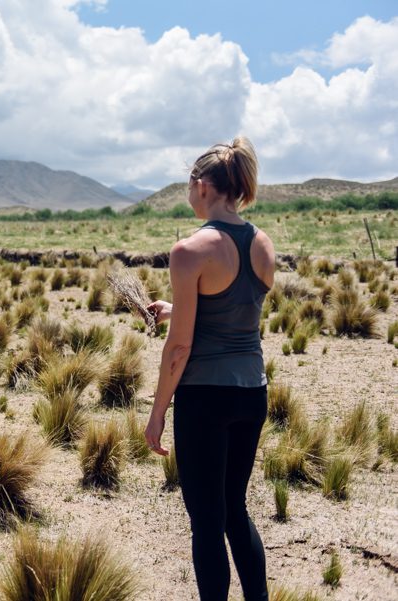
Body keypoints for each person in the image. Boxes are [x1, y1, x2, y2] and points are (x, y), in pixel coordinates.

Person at [144, 136, 274, 601]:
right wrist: (171, 307)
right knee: (235, 510)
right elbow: (229, 312)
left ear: (201, 185)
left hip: (204, 398)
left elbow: (180, 347)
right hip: (251, 393)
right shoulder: (262, 243)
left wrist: (158, 410)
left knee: (205, 520)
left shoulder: (190, 250)